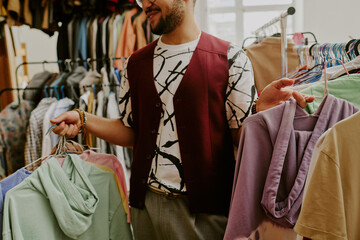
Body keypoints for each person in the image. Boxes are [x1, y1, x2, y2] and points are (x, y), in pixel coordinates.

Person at [51, 0, 314, 239]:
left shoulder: (232, 59)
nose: (145, 3)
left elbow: (240, 137)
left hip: (207, 211)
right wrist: (83, 118)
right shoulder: (135, 64)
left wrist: (261, 111)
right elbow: (133, 133)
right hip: (146, 208)